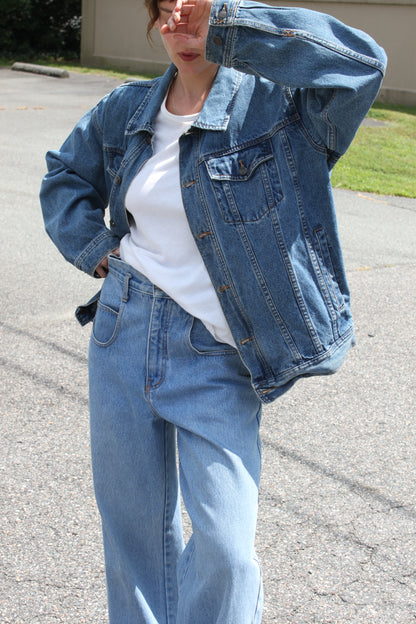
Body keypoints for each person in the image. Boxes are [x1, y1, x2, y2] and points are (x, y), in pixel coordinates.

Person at [40, 0, 386, 621]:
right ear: (152, 23)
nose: (182, 25)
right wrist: (98, 254)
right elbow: (64, 175)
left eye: (196, 8)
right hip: (123, 330)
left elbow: (362, 65)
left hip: (216, 354)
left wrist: (235, 27)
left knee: (228, 551)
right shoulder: (128, 108)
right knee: (134, 541)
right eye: (167, 11)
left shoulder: (279, 111)